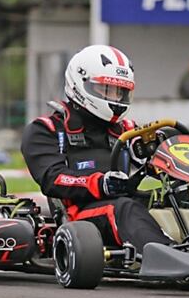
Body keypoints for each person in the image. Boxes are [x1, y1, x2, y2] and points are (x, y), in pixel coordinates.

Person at [21, 45, 179, 254]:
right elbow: (52, 178)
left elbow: (156, 162)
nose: (115, 98)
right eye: (106, 90)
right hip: (80, 215)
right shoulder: (47, 129)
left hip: (128, 204)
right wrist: (100, 183)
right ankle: (168, 256)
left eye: (120, 92)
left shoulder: (127, 130)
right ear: (80, 84)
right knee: (124, 207)